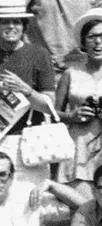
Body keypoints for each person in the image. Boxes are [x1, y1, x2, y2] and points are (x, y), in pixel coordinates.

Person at [55, 8, 102, 200]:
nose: (98, 42)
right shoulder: (71, 74)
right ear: (83, 42)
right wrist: (71, 116)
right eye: (92, 37)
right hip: (78, 151)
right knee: (81, 209)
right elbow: (53, 114)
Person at [0, 1, 57, 186]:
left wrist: (25, 89)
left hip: (29, 142)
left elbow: (49, 106)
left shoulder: (38, 54)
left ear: (24, 26)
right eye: (4, 22)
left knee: (29, 202)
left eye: (16, 22)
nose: (10, 27)